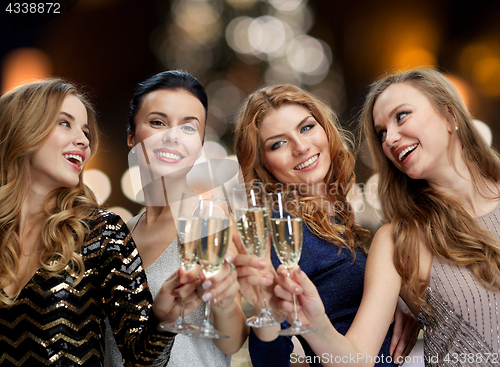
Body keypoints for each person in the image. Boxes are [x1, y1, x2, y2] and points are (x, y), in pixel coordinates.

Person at [271, 67, 500, 366]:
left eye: (401, 116)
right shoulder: (397, 240)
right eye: (381, 133)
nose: (390, 138)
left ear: (450, 116)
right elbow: (357, 359)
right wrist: (317, 325)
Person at [0, 79, 200, 366]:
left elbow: (142, 360)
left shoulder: (102, 232)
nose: (84, 140)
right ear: (23, 129)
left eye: (85, 130)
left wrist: (163, 319)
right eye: (65, 123)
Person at [233, 83, 418, 367]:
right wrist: (265, 310)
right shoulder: (285, 233)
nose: (301, 146)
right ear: (263, 164)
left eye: (306, 128)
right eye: (278, 143)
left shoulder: (338, 213)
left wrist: (401, 300)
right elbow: (270, 358)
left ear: (325, 128)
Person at [104, 70, 248, 367]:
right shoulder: (119, 234)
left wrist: (222, 300)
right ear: (131, 136)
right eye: (157, 122)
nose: (172, 136)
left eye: (188, 127)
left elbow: (233, 341)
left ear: (198, 146)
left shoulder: (210, 218)